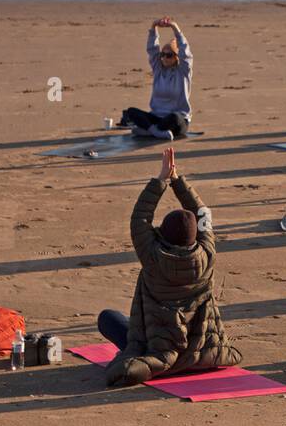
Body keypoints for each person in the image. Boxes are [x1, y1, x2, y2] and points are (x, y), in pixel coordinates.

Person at [98, 147, 241, 386]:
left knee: (108, 319)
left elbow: (139, 219)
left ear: (163, 234)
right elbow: (203, 214)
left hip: (160, 347)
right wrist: (178, 182)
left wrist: (163, 180)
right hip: (202, 347)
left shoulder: (154, 257)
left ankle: (151, 361)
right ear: (196, 236)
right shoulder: (207, 254)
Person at [120, 16, 192, 140]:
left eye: (169, 55)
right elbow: (152, 50)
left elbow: (185, 52)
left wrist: (174, 27)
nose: (164, 58)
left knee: (174, 118)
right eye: (162, 55)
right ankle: (155, 131)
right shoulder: (158, 69)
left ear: (176, 57)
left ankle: (149, 130)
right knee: (131, 112)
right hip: (156, 117)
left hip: (176, 121)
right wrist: (154, 27)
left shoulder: (183, 71)